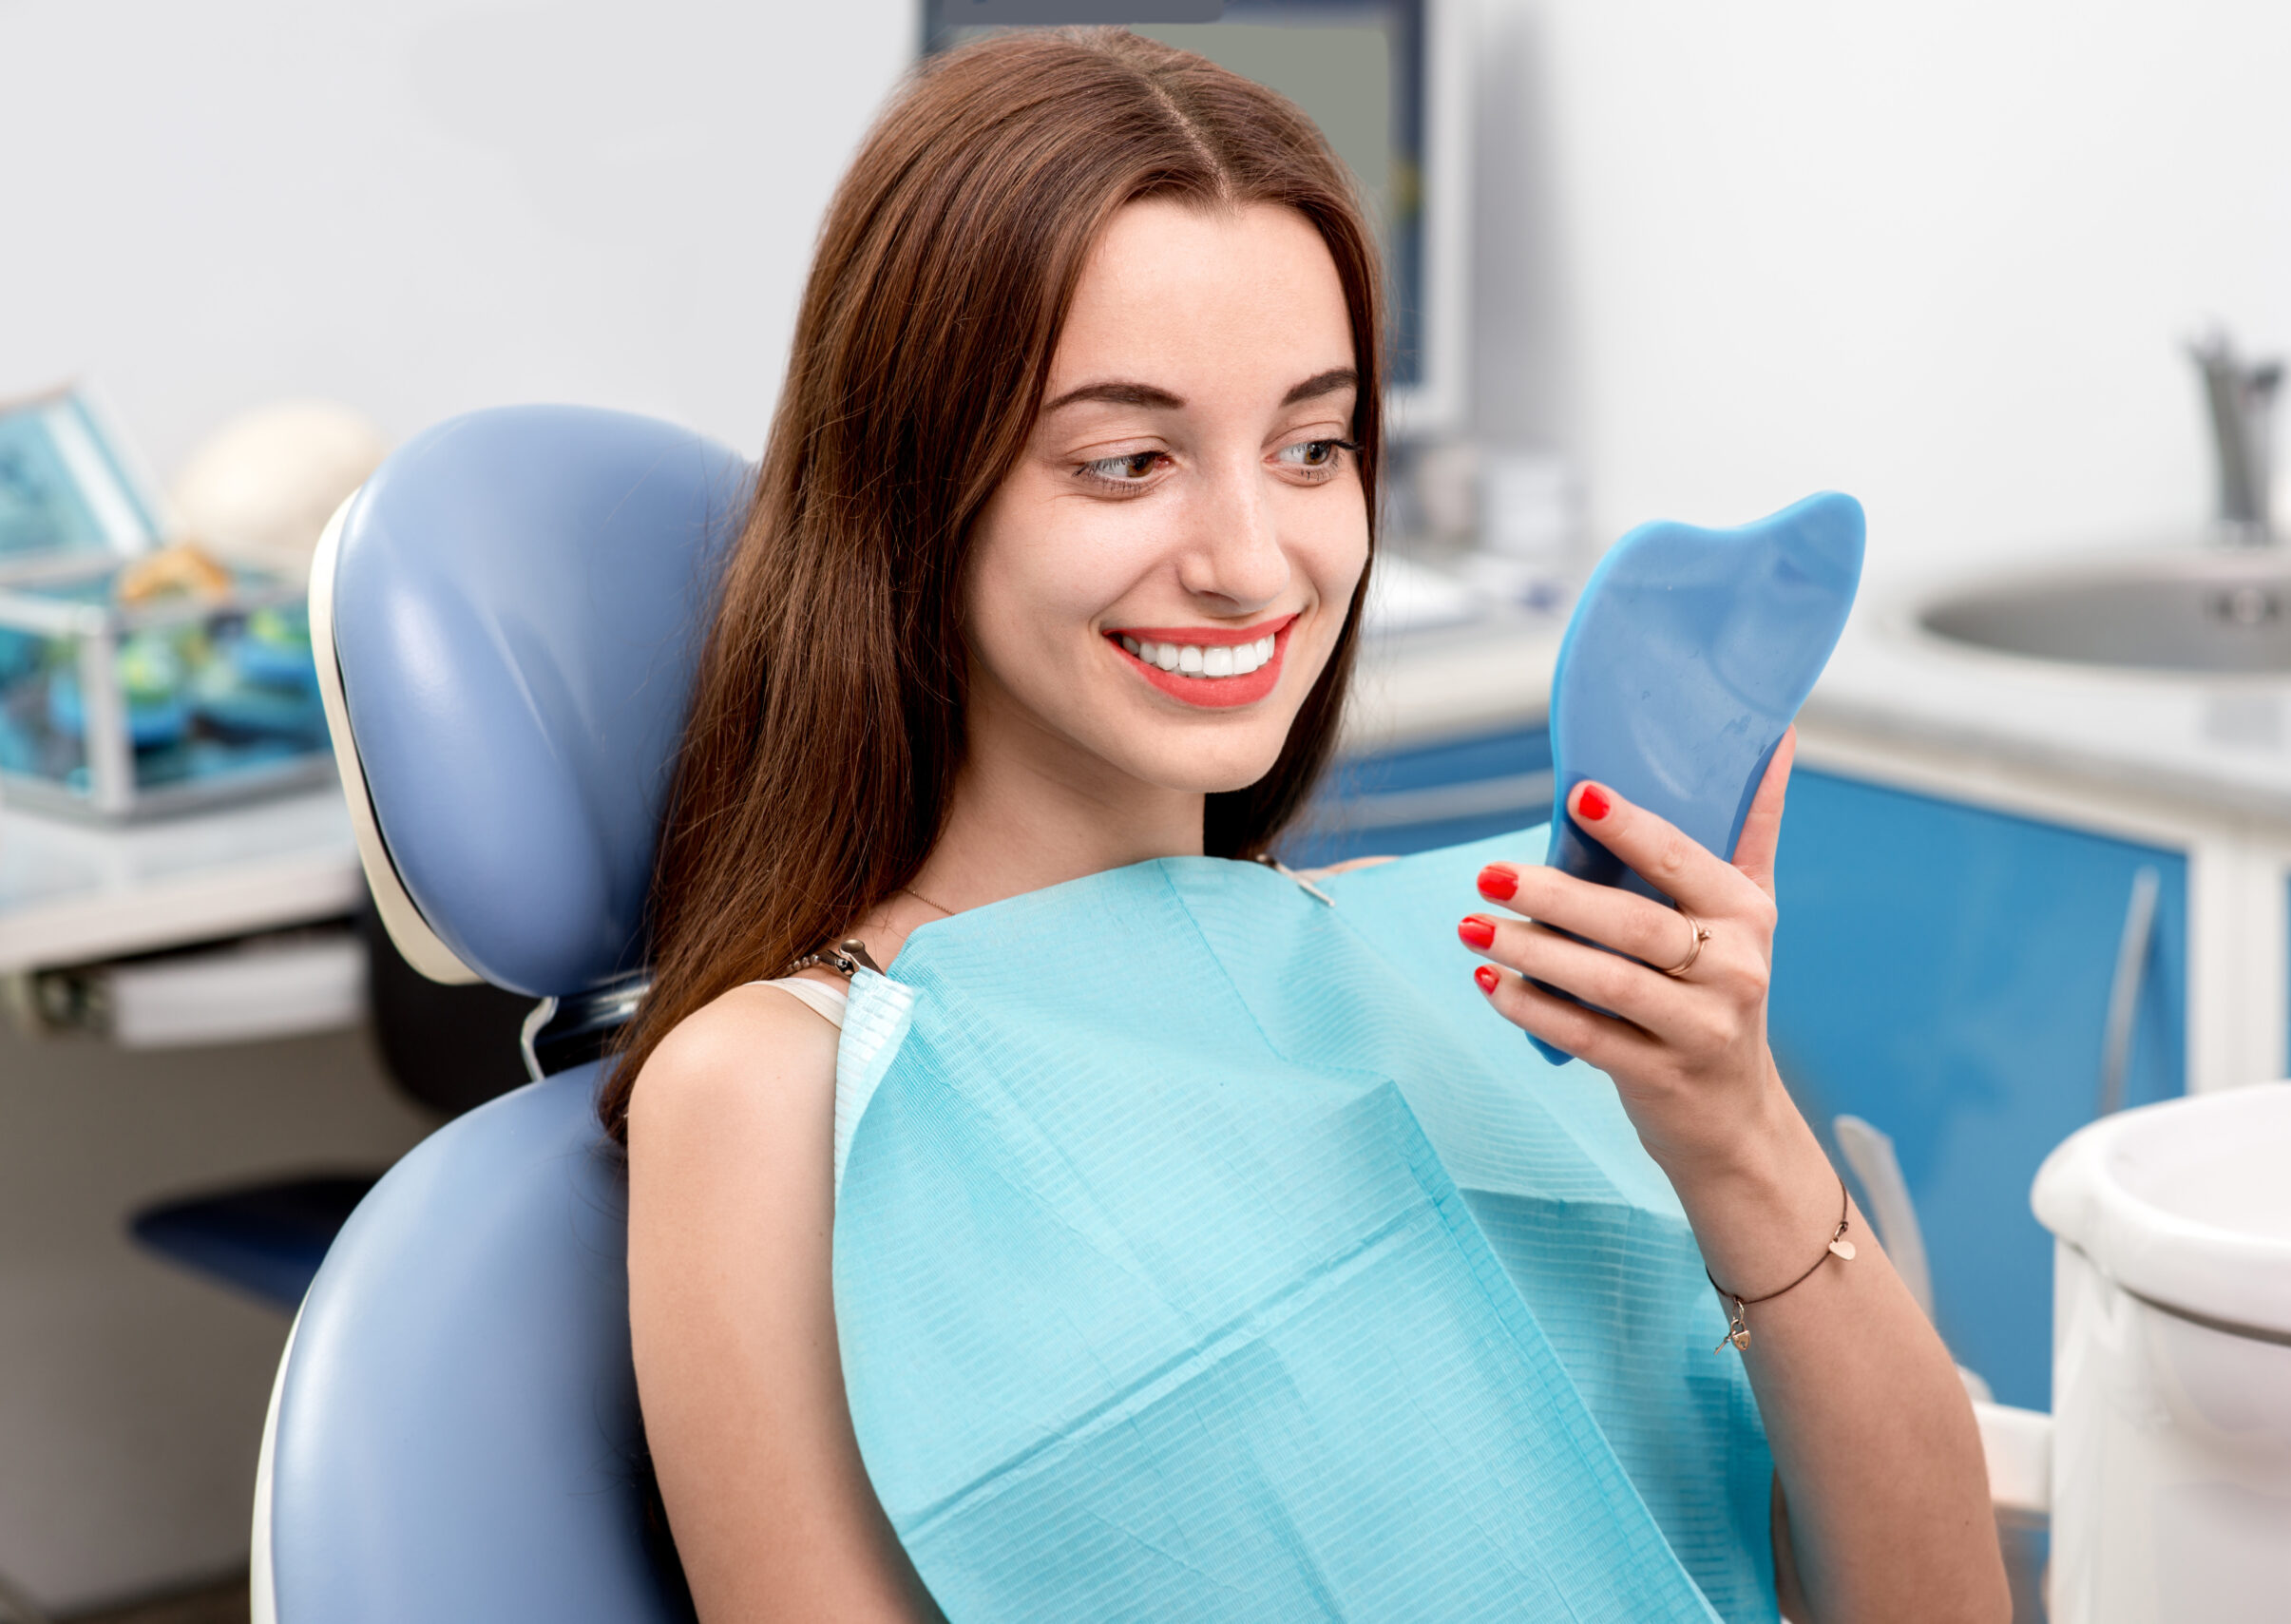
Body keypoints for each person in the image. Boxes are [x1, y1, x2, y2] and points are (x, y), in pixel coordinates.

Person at [609, 28, 2008, 1624]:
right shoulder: (781, 1091)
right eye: (1127, 462)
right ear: (912, 487)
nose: (1255, 561)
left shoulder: (1455, 962)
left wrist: (1737, 1129)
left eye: (1313, 446)